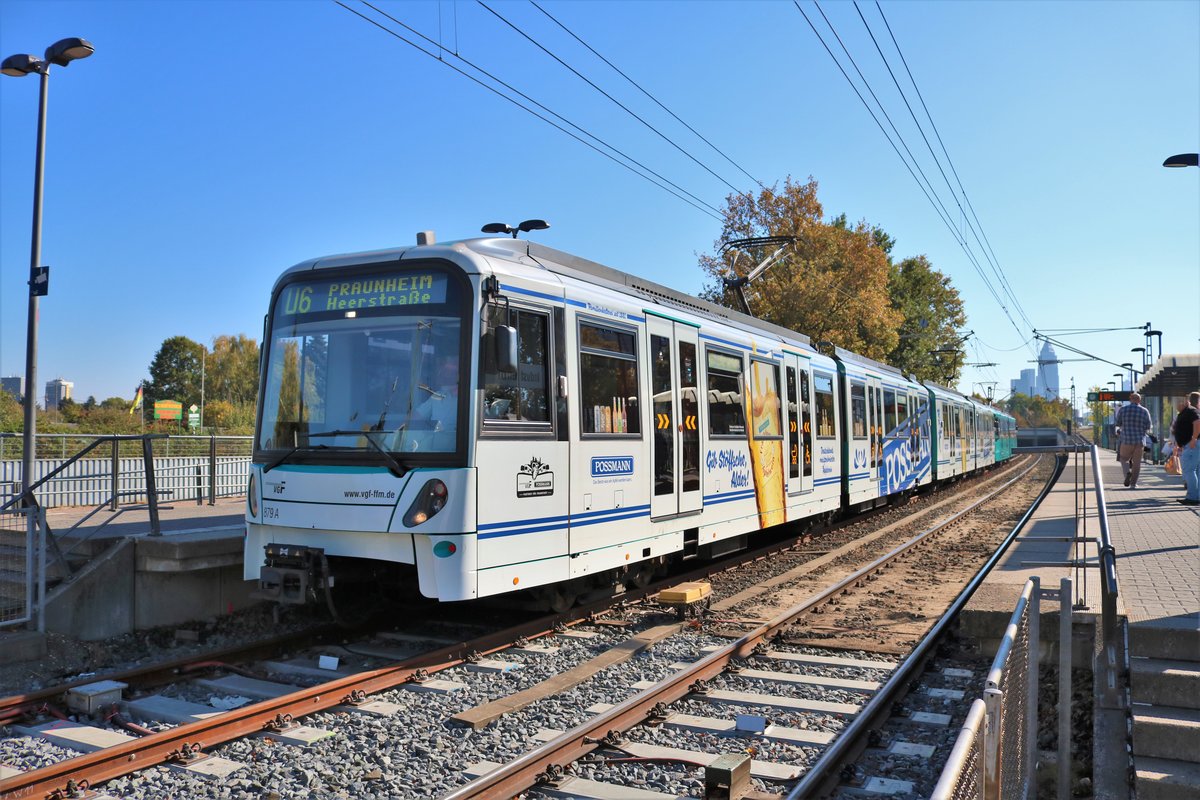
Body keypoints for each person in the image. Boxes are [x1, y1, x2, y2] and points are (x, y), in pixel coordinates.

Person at [1113, 392, 1153, 488]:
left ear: (1130, 400)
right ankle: (1133, 484)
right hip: (1139, 441)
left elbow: (1118, 423)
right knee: (1137, 463)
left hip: (1126, 440)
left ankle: (1127, 473)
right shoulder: (1144, 411)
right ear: (1139, 400)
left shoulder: (1123, 410)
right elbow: (1148, 426)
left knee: (1124, 459)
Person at [1172, 392, 1200, 506]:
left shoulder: (1191, 411)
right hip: (1190, 444)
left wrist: (1193, 439)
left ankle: (1192, 497)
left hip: (1192, 445)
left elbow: (1198, 423)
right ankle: (1195, 496)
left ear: (1184, 402)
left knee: (1189, 470)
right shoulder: (1186, 412)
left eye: (1177, 403)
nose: (1176, 405)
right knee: (1196, 471)